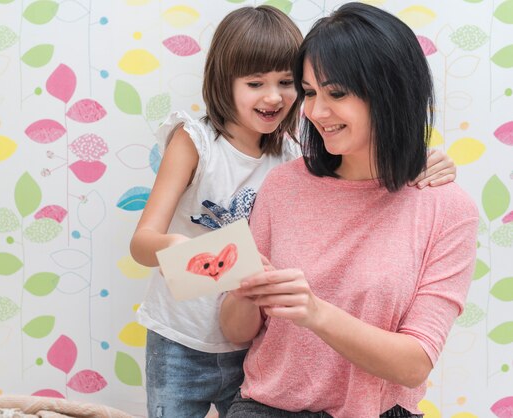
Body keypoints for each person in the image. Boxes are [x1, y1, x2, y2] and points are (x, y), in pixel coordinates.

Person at [130, 5, 457, 418]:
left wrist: (422, 160)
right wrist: (200, 255)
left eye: (288, 83)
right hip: (184, 336)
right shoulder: (199, 143)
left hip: (245, 349)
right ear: (222, 82)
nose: (274, 97)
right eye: (254, 83)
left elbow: (366, 161)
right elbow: (143, 243)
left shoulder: (293, 156)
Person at [220, 3, 479, 418]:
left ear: (391, 92)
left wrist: (317, 313)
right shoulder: (283, 186)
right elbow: (236, 331)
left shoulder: (447, 209)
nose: (315, 112)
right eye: (309, 92)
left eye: (336, 93)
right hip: (265, 408)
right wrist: (243, 293)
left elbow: (415, 363)